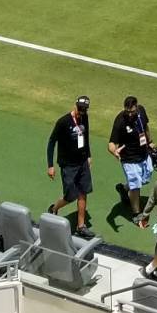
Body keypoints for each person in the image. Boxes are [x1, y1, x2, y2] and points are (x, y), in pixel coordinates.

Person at [46, 96, 95, 230]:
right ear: (75, 106)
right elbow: (51, 142)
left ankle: (81, 225)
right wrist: (50, 165)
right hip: (68, 165)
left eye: (84, 109)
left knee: (83, 192)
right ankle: (54, 208)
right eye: (80, 109)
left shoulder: (85, 117)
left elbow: (86, 136)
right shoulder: (63, 122)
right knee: (70, 196)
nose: (81, 112)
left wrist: (88, 155)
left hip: (82, 162)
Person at [106, 95, 153, 232]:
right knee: (136, 185)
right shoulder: (120, 120)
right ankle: (136, 214)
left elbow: (146, 127)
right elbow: (111, 143)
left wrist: (150, 142)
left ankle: (123, 189)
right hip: (129, 159)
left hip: (143, 154)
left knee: (145, 179)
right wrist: (114, 151)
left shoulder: (142, 112)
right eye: (128, 111)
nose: (130, 114)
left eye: (132, 111)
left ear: (137, 107)